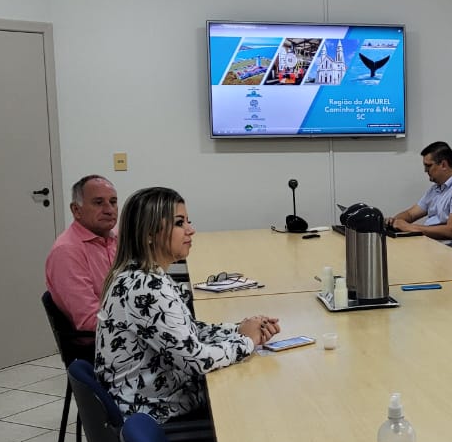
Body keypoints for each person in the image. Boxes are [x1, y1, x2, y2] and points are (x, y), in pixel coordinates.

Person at [95, 187, 280, 423]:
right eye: (180, 223)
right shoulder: (145, 287)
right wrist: (247, 341)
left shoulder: (144, 275)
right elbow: (197, 360)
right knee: (256, 396)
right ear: (149, 234)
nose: (191, 230)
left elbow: (187, 331)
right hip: (152, 414)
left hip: (151, 398)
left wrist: (240, 328)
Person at [45, 175, 119, 334]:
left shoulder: (117, 238)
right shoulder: (67, 251)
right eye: (98, 203)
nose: (109, 210)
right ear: (76, 210)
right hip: (99, 343)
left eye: (113, 202)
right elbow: (90, 319)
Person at [388, 141, 452, 251]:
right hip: (431, 246)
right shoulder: (436, 188)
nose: (425, 171)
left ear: (443, 165)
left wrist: (409, 227)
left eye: (428, 166)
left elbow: (451, 231)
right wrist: (394, 221)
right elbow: (410, 214)